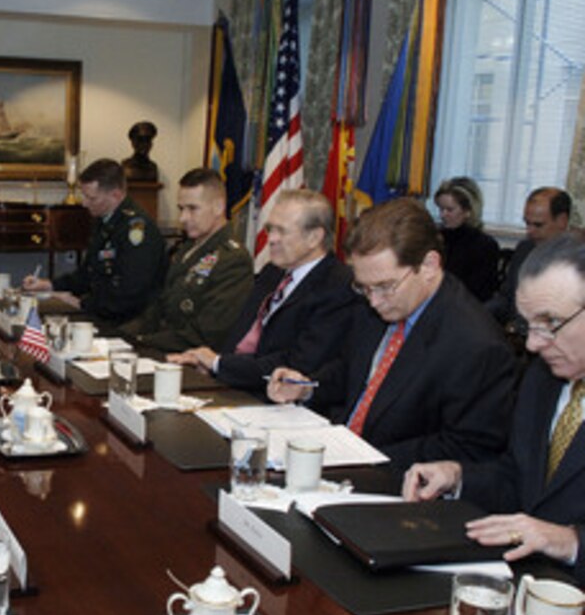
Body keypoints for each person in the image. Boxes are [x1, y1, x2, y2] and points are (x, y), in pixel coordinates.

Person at [268, 197, 515, 471]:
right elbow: (353, 373)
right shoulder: (378, 306)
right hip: (340, 455)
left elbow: (466, 448)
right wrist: (307, 388)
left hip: (394, 480)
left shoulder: (475, 344)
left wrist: (365, 457)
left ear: (430, 266)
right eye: (365, 287)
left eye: (385, 286)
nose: (374, 301)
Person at [404, 233, 585, 582]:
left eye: (550, 323)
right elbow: (519, 480)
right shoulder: (542, 379)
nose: (533, 343)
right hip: (522, 585)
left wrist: (569, 540)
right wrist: (458, 478)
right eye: (527, 325)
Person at [168, 189, 356, 394]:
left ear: (314, 237)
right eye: (269, 229)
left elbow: (298, 364)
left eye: (281, 231)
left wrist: (219, 364)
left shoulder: (337, 286)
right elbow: (240, 338)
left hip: (277, 400)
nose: (271, 239)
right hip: (233, 385)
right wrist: (210, 366)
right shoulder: (272, 272)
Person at [119, 168, 254, 353]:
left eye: (192, 209)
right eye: (181, 209)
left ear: (218, 207)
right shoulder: (189, 248)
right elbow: (160, 305)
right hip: (162, 347)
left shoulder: (233, 259)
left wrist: (142, 341)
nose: (183, 218)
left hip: (191, 360)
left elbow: (208, 333)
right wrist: (122, 337)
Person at [21, 158, 166, 323]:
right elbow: (87, 274)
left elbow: (130, 294)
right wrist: (48, 284)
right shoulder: (105, 221)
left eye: (92, 198)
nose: (84, 203)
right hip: (104, 312)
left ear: (116, 195)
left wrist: (83, 304)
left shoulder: (137, 230)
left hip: (133, 321)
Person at [486, 187, 572, 327]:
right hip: (515, 337)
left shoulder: (578, 260)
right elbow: (506, 297)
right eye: (527, 223)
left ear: (562, 221)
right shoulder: (524, 249)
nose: (529, 231)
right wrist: (478, 313)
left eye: (538, 225)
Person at [433, 176, 499, 301]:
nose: (442, 215)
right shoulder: (434, 239)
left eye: (449, 210)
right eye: (441, 209)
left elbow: (481, 293)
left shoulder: (485, 246)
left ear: (468, 211)